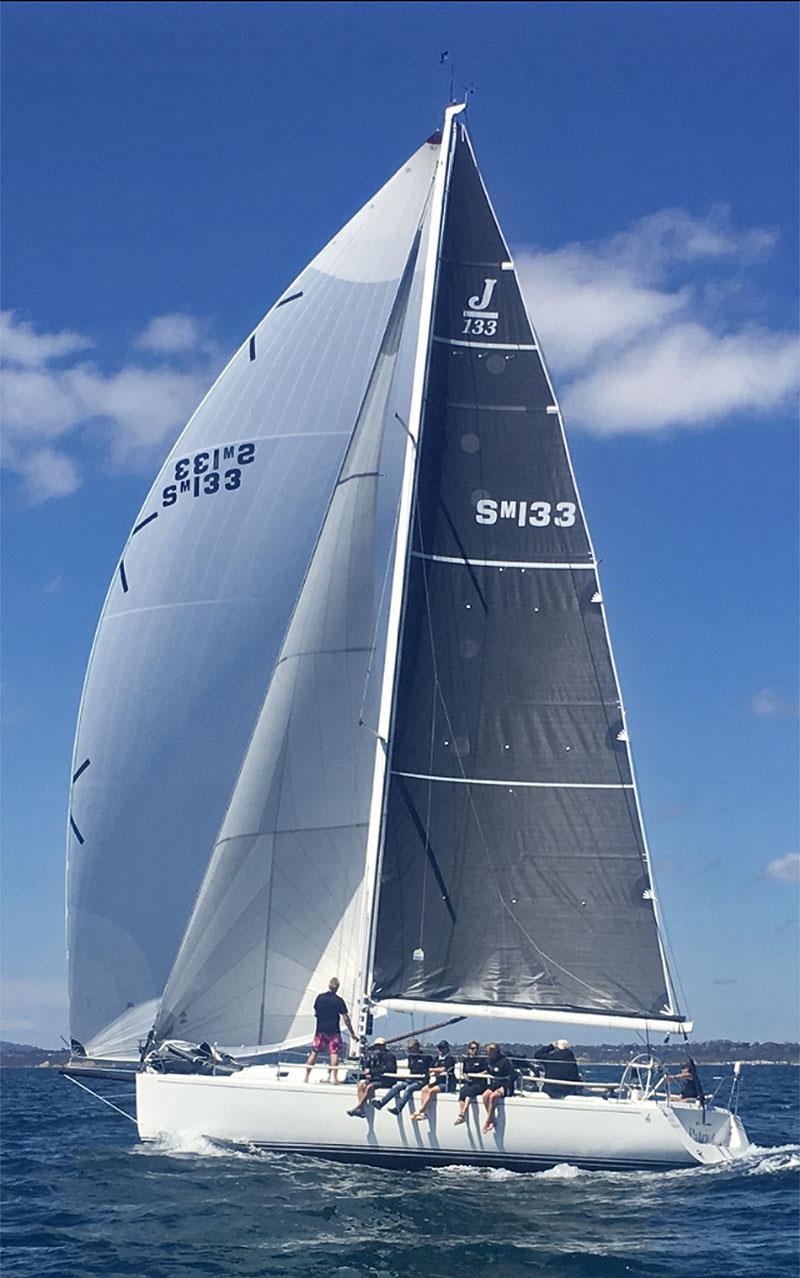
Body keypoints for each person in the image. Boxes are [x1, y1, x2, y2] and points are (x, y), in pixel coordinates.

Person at [304, 977, 356, 1084]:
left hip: (320, 1031)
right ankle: (334, 1078)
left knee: (314, 1052)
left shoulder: (320, 998)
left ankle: (306, 1077)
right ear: (337, 988)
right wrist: (352, 1033)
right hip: (334, 1031)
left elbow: (315, 1011)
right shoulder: (339, 1000)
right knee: (334, 1053)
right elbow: (346, 1018)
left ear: (329, 985)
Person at [372, 1039, 432, 1114]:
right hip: (411, 1079)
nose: (409, 1050)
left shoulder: (426, 1057)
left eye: (410, 1048)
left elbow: (428, 1070)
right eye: (408, 1048)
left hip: (421, 1080)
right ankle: (381, 1103)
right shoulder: (411, 1057)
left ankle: (398, 1108)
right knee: (396, 1087)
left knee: (409, 1089)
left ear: (417, 1047)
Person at [347, 1037, 397, 1117]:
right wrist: (368, 1072)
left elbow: (389, 1069)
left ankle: (359, 1106)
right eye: (377, 1046)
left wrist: (371, 1071)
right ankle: (361, 1109)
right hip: (375, 1078)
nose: (378, 1048)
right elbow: (367, 1067)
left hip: (386, 1080)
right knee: (361, 1084)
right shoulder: (373, 1056)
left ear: (384, 1046)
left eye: (380, 1046)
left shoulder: (390, 1056)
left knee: (370, 1087)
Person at [411, 1040, 457, 1121]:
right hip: (438, 1081)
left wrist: (434, 1070)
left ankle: (421, 1110)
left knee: (431, 1091)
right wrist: (434, 1070)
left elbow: (443, 1069)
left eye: (442, 1048)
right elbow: (430, 1068)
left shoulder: (450, 1059)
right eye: (439, 1048)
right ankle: (424, 1113)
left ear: (446, 1048)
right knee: (424, 1089)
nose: (440, 1050)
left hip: (447, 1083)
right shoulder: (436, 1059)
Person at [481, 1042, 514, 1133]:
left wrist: (505, 1087)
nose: (489, 1054)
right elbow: (488, 1071)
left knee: (493, 1097)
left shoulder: (504, 1061)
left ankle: (488, 1121)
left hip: (505, 1083)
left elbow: (512, 1075)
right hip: (496, 1083)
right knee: (485, 1096)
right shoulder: (488, 1061)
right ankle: (492, 1119)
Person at [453, 1040, 487, 1125]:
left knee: (469, 1093)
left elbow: (486, 1071)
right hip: (470, 1082)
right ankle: (462, 1113)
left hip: (479, 1083)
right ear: (469, 1050)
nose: (474, 1050)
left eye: (476, 1048)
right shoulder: (466, 1060)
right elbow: (464, 1072)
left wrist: (477, 1075)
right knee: (462, 1092)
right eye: (472, 1048)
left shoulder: (482, 1060)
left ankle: (462, 1114)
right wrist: (466, 1077)